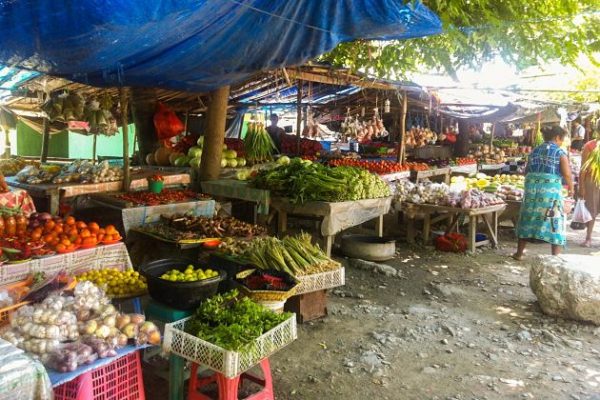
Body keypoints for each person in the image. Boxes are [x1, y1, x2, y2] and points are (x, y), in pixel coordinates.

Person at [513, 125, 574, 260]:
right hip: (550, 193)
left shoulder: (534, 151)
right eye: (561, 139)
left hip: (532, 192)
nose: (561, 142)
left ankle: (519, 253)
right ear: (557, 138)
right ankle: (556, 256)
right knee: (555, 220)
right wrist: (572, 189)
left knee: (527, 219)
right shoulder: (559, 152)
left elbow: (527, 171)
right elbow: (567, 174)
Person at [579, 136, 600, 247]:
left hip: (592, 181)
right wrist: (581, 186)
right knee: (591, 210)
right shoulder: (590, 146)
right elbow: (583, 168)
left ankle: (588, 239)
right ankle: (588, 238)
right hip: (592, 181)